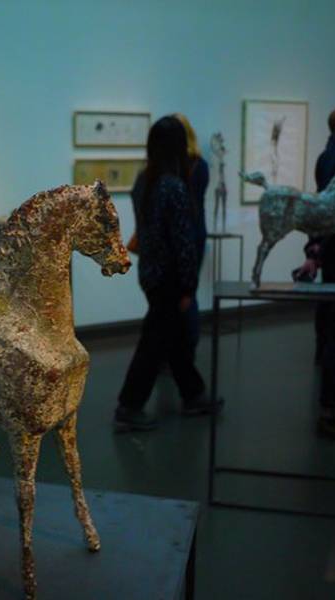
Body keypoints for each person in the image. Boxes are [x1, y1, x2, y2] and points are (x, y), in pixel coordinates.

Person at [114, 116, 219, 431]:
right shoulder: (173, 186)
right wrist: (188, 286)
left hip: (150, 272)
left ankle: (194, 394)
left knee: (173, 336)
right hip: (170, 276)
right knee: (155, 340)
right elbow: (182, 241)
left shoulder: (143, 181)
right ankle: (129, 406)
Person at [296, 104, 335, 439]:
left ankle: (333, 409)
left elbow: (320, 208)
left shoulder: (328, 155)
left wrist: (315, 249)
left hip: (334, 254)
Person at [174, 114, 209, 352]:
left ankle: (180, 350)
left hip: (183, 234)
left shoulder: (174, 167)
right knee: (189, 292)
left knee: (180, 294)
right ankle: (186, 349)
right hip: (196, 232)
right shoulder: (201, 165)